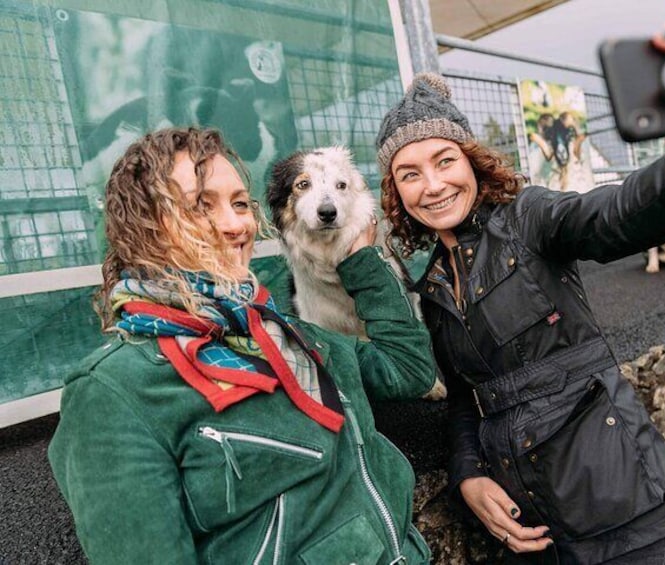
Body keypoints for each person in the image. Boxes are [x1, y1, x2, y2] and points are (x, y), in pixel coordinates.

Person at [376, 5, 665, 564]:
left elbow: (620, 213)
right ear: (395, 193)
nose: (432, 185)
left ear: (471, 162)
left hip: (629, 518)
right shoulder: (434, 286)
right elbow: (467, 402)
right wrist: (467, 472)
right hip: (539, 531)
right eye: (409, 174)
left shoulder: (529, 218)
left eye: (444, 160)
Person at [48, 127, 436, 564]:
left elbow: (408, 369)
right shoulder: (113, 390)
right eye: (200, 205)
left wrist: (362, 261)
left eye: (239, 204)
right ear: (147, 227)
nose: (237, 225)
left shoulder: (283, 332)